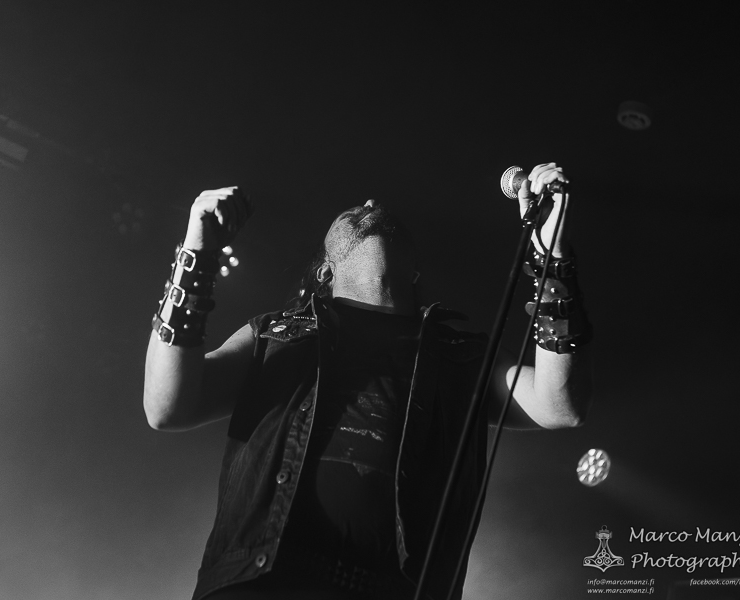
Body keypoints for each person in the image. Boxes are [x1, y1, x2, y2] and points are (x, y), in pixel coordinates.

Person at [143, 163, 593, 600]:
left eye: (376, 206)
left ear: (414, 271)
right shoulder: (274, 335)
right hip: (259, 585)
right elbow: (167, 407)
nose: (372, 203)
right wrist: (196, 253)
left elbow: (559, 405)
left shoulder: (462, 356)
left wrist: (552, 256)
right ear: (325, 272)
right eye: (356, 208)